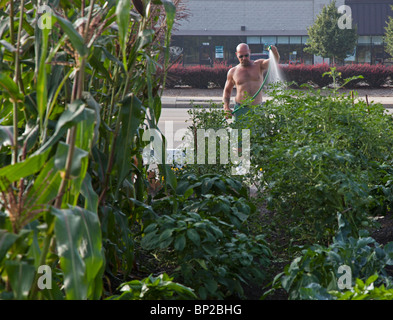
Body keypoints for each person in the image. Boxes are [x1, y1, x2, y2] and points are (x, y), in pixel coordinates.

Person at [222, 43, 280, 119]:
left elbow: (274, 61)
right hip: (241, 109)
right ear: (236, 54)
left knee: (259, 131)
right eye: (241, 56)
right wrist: (226, 107)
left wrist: (274, 52)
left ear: (249, 52)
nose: (244, 58)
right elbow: (227, 91)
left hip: (257, 108)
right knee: (240, 131)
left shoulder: (259, 65)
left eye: (246, 55)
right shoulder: (233, 72)